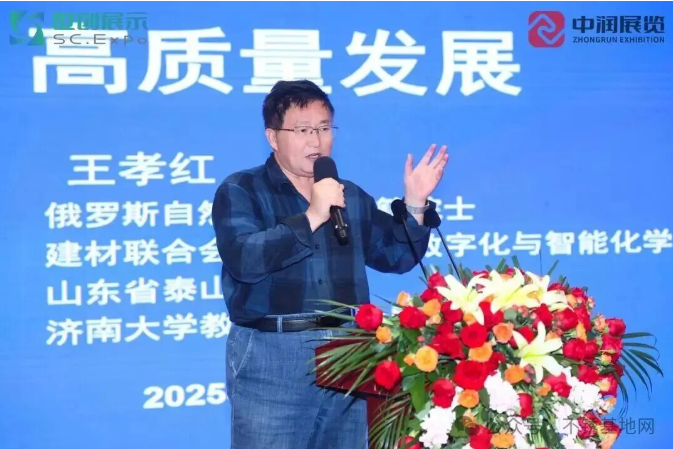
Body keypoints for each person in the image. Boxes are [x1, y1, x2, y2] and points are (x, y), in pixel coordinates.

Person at [212, 79, 449, 449]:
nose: (316, 140)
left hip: (349, 352)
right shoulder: (242, 189)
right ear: (273, 137)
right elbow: (244, 259)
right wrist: (311, 217)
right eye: (303, 130)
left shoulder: (347, 195)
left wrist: (415, 203)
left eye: (324, 128)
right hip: (273, 354)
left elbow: (397, 254)